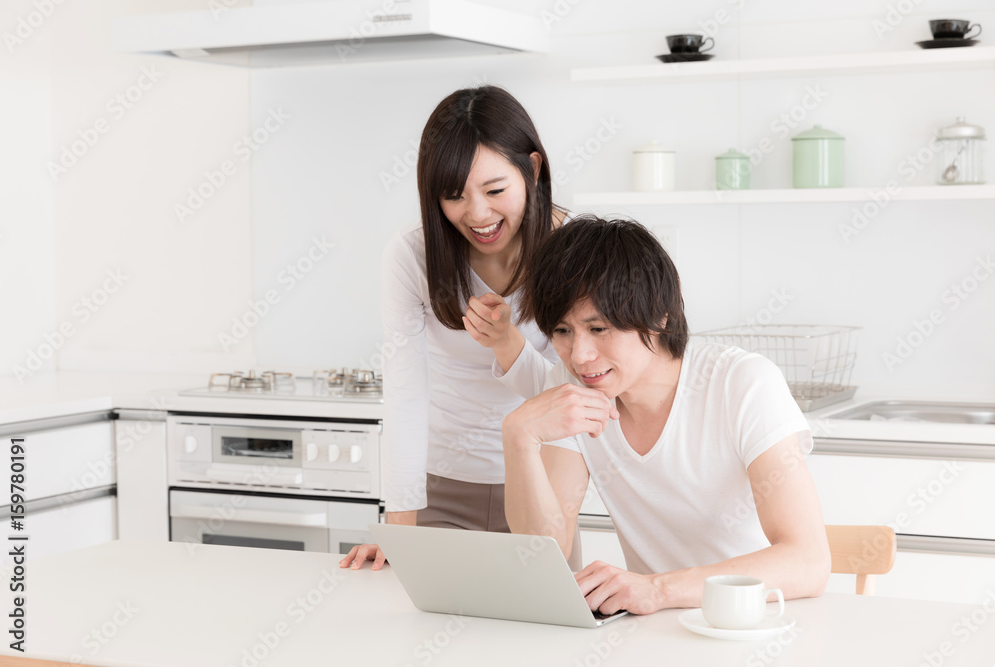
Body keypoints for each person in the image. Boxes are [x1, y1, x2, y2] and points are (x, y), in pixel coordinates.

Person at [499, 215, 831, 615]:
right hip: (655, 631)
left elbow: (809, 562)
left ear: (660, 316)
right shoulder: (572, 390)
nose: (580, 356)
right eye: (563, 331)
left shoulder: (741, 383)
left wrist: (656, 590)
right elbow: (545, 548)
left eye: (599, 328)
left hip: (754, 620)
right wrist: (518, 438)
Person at [340, 86, 573, 570]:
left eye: (494, 190)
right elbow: (405, 394)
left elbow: (567, 396)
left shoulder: (572, 250)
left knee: (545, 638)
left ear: (532, 169)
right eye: (454, 196)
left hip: (542, 487)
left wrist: (508, 345)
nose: (478, 215)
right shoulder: (413, 256)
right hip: (440, 489)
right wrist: (399, 527)